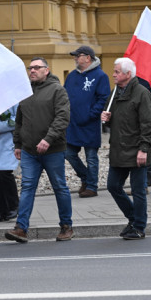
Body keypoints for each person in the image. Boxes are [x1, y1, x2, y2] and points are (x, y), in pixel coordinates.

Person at [5, 57, 73, 243]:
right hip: (29, 151)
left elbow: (62, 118)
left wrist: (48, 139)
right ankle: (21, 228)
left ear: (47, 70)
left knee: (60, 187)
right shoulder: (25, 91)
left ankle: (66, 226)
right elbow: (20, 120)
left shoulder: (57, 90)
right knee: (27, 187)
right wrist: (18, 144)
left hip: (53, 150)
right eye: (30, 68)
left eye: (37, 67)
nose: (32, 70)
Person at [100, 58, 151, 240]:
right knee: (113, 186)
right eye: (114, 71)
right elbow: (112, 119)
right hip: (119, 149)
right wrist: (106, 118)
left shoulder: (141, 93)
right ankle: (133, 217)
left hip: (137, 149)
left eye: (117, 72)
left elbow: (148, 124)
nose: (113, 74)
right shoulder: (115, 92)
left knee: (138, 190)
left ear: (128, 74)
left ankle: (139, 227)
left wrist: (144, 149)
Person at [64, 45, 110, 198]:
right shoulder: (71, 76)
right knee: (68, 153)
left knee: (91, 156)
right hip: (72, 123)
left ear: (88, 58)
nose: (75, 58)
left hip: (89, 123)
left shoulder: (100, 76)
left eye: (78, 55)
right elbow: (64, 96)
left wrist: (91, 114)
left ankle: (91, 186)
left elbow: (103, 98)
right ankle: (85, 177)